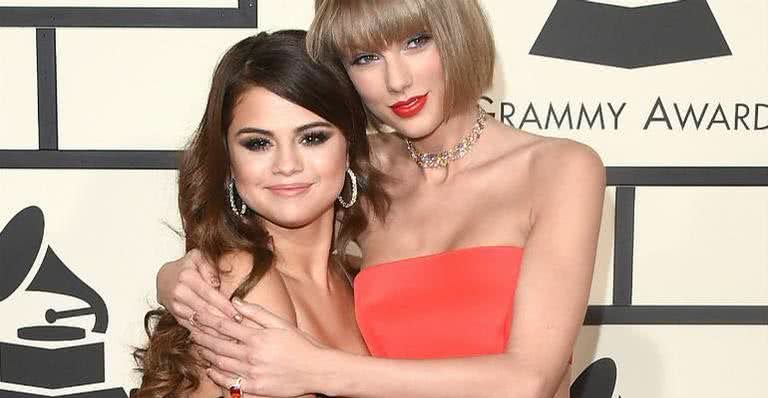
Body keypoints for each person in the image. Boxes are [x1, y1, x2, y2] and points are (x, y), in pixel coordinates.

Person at [159, 1, 606, 397]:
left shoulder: (560, 169)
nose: (397, 79)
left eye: (417, 41)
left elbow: (529, 381)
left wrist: (315, 369)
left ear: (460, 33)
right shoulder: (364, 167)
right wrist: (178, 277)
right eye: (366, 57)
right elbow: (271, 220)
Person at [132, 29, 388, 398]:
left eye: (312, 137)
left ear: (349, 145)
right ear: (230, 161)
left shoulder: (353, 278)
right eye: (258, 143)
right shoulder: (244, 278)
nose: (287, 164)